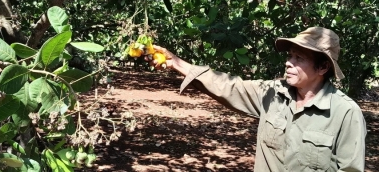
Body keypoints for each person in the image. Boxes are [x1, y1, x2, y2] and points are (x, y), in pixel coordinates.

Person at [148, 27, 366, 171]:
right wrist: (176, 63)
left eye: (299, 58)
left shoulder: (345, 112)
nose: (289, 62)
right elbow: (228, 86)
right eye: (289, 55)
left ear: (323, 66)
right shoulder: (272, 94)